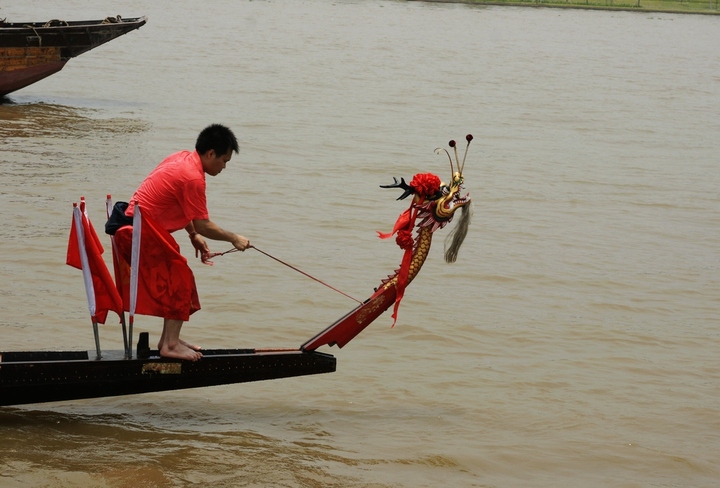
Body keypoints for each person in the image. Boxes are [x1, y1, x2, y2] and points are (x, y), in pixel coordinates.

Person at [114, 124, 250, 361]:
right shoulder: (192, 178)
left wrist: (192, 235)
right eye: (224, 161)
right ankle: (170, 345)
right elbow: (203, 224)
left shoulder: (182, 158)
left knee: (178, 277)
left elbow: (183, 212)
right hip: (137, 233)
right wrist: (234, 238)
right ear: (210, 154)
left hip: (136, 227)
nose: (224, 167)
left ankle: (169, 340)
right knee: (180, 279)